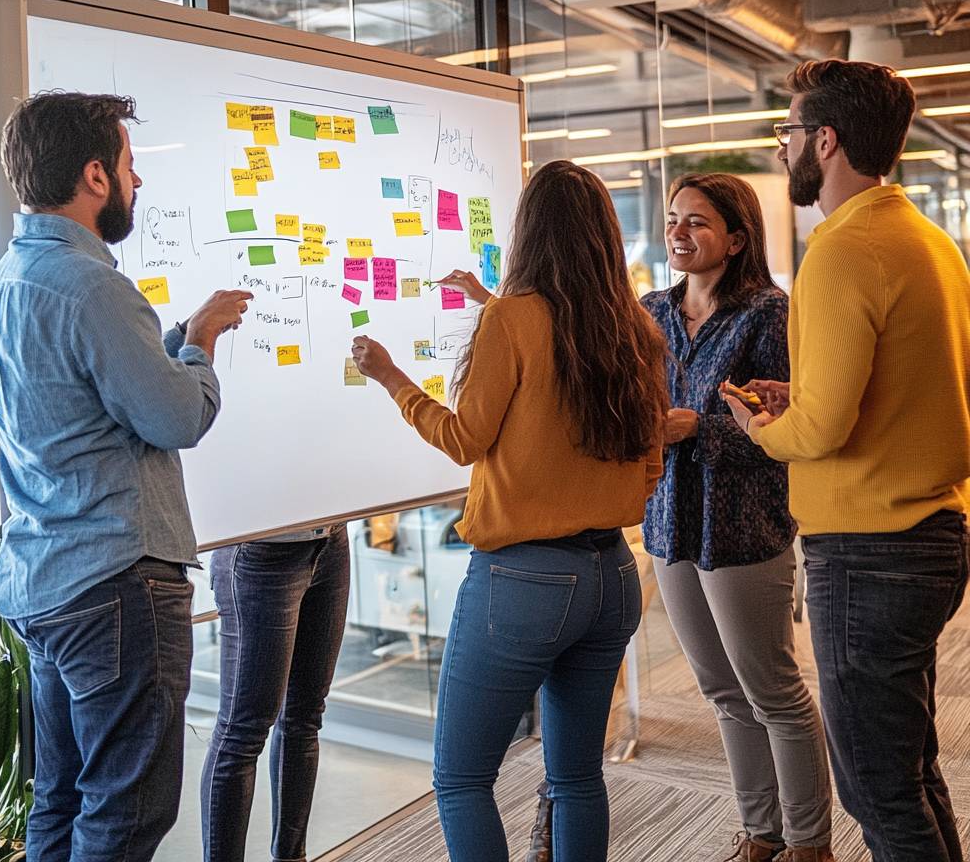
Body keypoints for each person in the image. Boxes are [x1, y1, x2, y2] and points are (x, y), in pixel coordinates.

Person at [351, 160, 668, 862]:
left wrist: (392, 376)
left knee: (461, 778)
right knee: (577, 777)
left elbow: (465, 438)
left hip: (522, 584)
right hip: (612, 575)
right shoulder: (634, 330)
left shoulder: (512, 320)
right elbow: (651, 466)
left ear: (529, 232)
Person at [0, 91, 251, 862]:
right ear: (95, 176)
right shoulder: (95, 288)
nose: (137, 183)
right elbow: (177, 418)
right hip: (116, 588)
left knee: (59, 806)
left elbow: (75, 397)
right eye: (130, 167)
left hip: (46, 585)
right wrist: (197, 345)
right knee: (125, 818)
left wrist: (164, 340)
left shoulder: (2, 287)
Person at [723, 59, 970, 862]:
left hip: (871, 550)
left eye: (788, 131)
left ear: (824, 140)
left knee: (876, 787)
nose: (785, 146)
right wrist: (803, 393)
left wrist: (762, 427)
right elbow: (901, 385)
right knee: (909, 769)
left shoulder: (842, 247)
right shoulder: (926, 241)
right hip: (929, 532)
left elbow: (822, 431)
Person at [643, 172, 833, 862]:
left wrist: (699, 429)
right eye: (672, 219)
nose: (679, 233)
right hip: (668, 524)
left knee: (773, 690)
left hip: (744, 527)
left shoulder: (768, 314)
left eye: (696, 222)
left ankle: (811, 842)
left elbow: (787, 433)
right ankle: (762, 832)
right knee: (722, 691)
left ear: (736, 237)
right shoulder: (650, 312)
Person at [199, 518, 349, 862]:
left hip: (331, 536)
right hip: (260, 546)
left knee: (305, 716)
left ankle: (291, 855)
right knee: (242, 733)